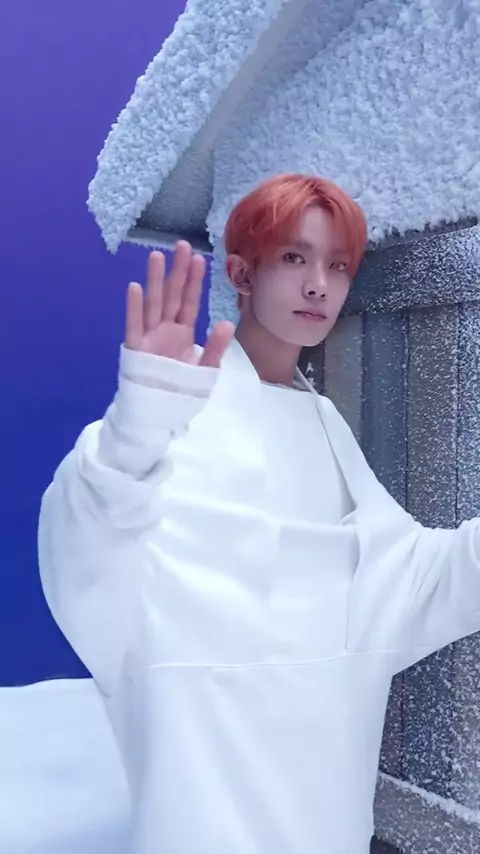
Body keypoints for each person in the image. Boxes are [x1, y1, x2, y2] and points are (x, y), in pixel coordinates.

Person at [39, 174, 480, 854]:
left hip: (325, 812)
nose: (319, 286)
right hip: (209, 807)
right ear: (243, 273)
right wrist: (132, 434)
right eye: (295, 258)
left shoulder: (322, 423)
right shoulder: (174, 414)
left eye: (338, 265)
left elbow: (411, 580)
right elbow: (90, 552)